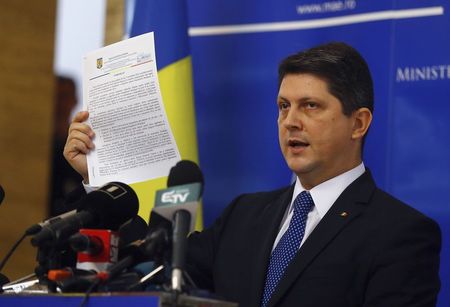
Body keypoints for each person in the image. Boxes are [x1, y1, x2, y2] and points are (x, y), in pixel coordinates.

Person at [63, 42, 441, 306]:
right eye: (283, 106)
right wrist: (98, 180)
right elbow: (151, 265)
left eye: (310, 106)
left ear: (358, 123)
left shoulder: (400, 234)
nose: (290, 121)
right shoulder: (244, 216)